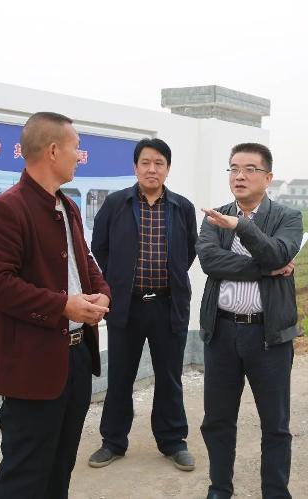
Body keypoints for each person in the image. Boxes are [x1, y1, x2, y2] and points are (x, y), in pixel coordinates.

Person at [0, 111, 111, 499]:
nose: (80, 156)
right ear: (52, 151)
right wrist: (62, 306)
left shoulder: (67, 206)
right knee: (25, 474)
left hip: (76, 358)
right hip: (32, 364)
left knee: (59, 466)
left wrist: (103, 292)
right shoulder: (7, 209)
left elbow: (84, 261)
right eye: (76, 147)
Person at [196, 142, 302, 499]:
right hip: (222, 332)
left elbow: (278, 251)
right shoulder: (215, 216)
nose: (239, 176)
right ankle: (219, 488)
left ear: (268, 177)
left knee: (275, 424)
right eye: (233, 169)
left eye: (249, 169)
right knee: (217, 420)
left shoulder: (287, 217)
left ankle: (275, 492)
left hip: (268, 336)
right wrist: (267, 269)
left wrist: (242, 226)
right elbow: (211, 262)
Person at [88, 138, 198, 471]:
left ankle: (173, 441)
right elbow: (99, 247)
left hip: (168, 305)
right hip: (127, 305)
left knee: (169, 377)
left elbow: (189, 251)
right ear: (135, 167)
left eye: (159, 163)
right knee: (120, 376)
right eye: (146, 162)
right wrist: (119, 280)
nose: (152, 169)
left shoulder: (182, 207)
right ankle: (113, 442)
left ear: (168, 169)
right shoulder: (116, 204)